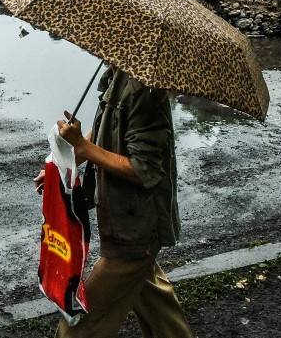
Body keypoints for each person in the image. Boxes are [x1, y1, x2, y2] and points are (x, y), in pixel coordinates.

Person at [34, 65, 193, 338]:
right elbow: (105, 134)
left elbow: (143, 169)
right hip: (125, 222)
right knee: (157, 308)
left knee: (81, 328)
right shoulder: (117, 76)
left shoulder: (144, 92)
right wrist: (65, 161)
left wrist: (84, 149)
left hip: (135, 231)